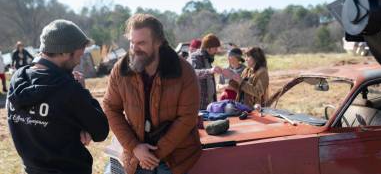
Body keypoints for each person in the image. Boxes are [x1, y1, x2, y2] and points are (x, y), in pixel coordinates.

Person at [6, 19, 109, 174]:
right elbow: (101, 130)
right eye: (78, 56)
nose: (79, 61)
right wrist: (82, 91)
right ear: (65, 52)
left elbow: (56, 120)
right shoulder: (68, 88)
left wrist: (81, 125)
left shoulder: (18, 79)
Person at [103, 14, 202, 174]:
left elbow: (187, 117)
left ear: (158, 43)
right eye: (131, 42)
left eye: (141, 43)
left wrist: (153, 155)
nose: (134, 48)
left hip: (174, 156)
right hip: (136, 153)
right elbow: (110, 107)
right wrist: (134, 147)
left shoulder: (183, 71)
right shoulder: (121, 70)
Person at [188, 34, 222, 110]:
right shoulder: (195, 56)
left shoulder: (207, 58)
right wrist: (210, 71)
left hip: (209, 102)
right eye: (215, 48)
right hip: (199, 103)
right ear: (208, 48)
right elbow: (194, 73)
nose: (216, 51)